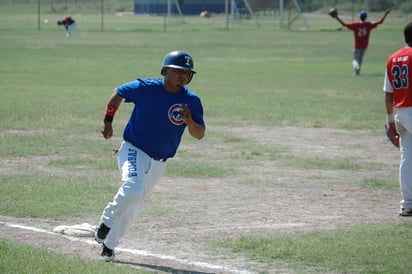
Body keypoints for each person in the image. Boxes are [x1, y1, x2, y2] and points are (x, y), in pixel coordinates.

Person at [94, 50, 206, 261]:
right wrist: (108, 121)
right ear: (165, 70)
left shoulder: (191, 101)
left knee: (135, 205)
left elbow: (199, 134)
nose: (183, 76)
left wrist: (190, 121)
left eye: (187, 73)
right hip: (134, 149)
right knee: (133, 189)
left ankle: (109, 245)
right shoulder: (146, 88)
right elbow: (118, 92)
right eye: (177, 71)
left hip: (160, 162)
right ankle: (106, 221)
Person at [383, 22, 412, 217]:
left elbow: (388, 93)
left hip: (400, 112)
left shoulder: (393, 58)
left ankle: (407, 204)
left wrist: (390, 120)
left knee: (407, 159)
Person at [332, 9, 390, 75]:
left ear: (359, 17)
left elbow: (344, 24)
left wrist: (337, 17)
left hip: (357, 45)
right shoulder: (369, 24)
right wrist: (385, 14)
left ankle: (357, 67)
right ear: (366, 17)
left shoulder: (355, 25)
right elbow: (380, 22)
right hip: (364, 45)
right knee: (360, 59)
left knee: (355, 59)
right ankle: (357, 71)